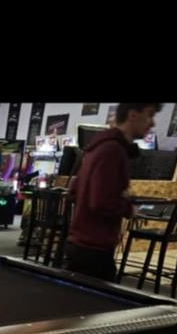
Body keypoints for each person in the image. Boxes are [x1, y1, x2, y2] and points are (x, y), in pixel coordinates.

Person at [65, 103, 161, 284]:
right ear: (132, 115)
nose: (152, 123)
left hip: (83, 246)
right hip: (94, 249)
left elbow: (73, 191)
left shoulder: (98, 146)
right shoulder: (113, 150)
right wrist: (128, 208)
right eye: (149, 114)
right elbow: (101, 201)